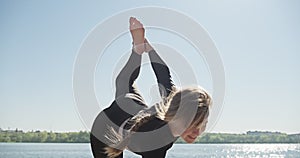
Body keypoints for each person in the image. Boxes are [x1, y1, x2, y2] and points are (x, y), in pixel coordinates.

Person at [90, 17, 212, 158]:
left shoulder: (172, 103)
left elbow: (163, 74)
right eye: (193, 124)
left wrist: (150, 50)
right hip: (105, 130)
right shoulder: (154, 143)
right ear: (178, 116)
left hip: (131, 104)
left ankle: (138, 49)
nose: (197, 132)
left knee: (123, 81)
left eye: (202, 125)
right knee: (122, 82)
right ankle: (138, 49)